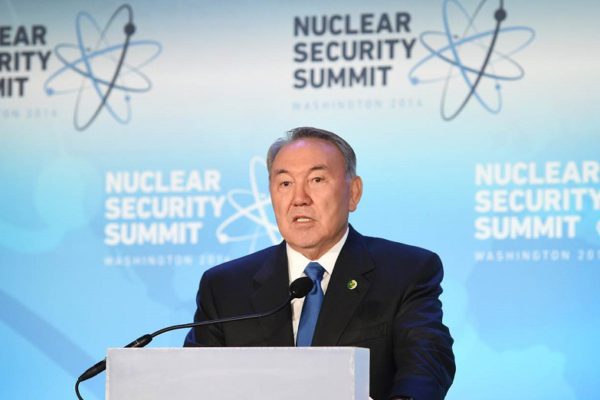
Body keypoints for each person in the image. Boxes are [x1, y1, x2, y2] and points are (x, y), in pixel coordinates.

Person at [184, 127, 455, 400]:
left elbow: (427, 363)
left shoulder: (406, 272)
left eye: (316, 180)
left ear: (354, 193)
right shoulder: (225, 287)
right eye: (285, 183)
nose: (299, 198)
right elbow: (192, 382)